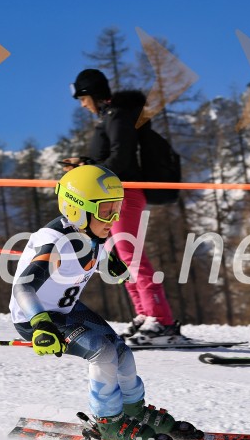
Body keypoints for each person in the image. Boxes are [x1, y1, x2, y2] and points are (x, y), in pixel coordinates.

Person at [9, 164, 201, 440]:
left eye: (116, 209)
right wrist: (40, 325)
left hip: (66, 309)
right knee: (102, 352)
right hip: (36, 317)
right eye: (105, 210)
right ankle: (108, 423)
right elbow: (23, 287)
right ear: (77, 209)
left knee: (120, 350)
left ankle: (134, 409)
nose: (113, 218)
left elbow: (92, 260)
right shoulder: (53, 242)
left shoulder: (92, 232)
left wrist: (110, 264)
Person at [69, 68, 185, 346]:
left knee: (131, 256)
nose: (82, 104)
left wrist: (91, 169)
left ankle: (162, 320)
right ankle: (145, 314)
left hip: (124, 193)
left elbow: (122, 157)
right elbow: (111, 154)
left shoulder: (118, 114)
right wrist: (86, 164)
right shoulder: (109, 116)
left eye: (83, 98)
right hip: (108, 195)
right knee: (117, 261)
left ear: (94, 95)